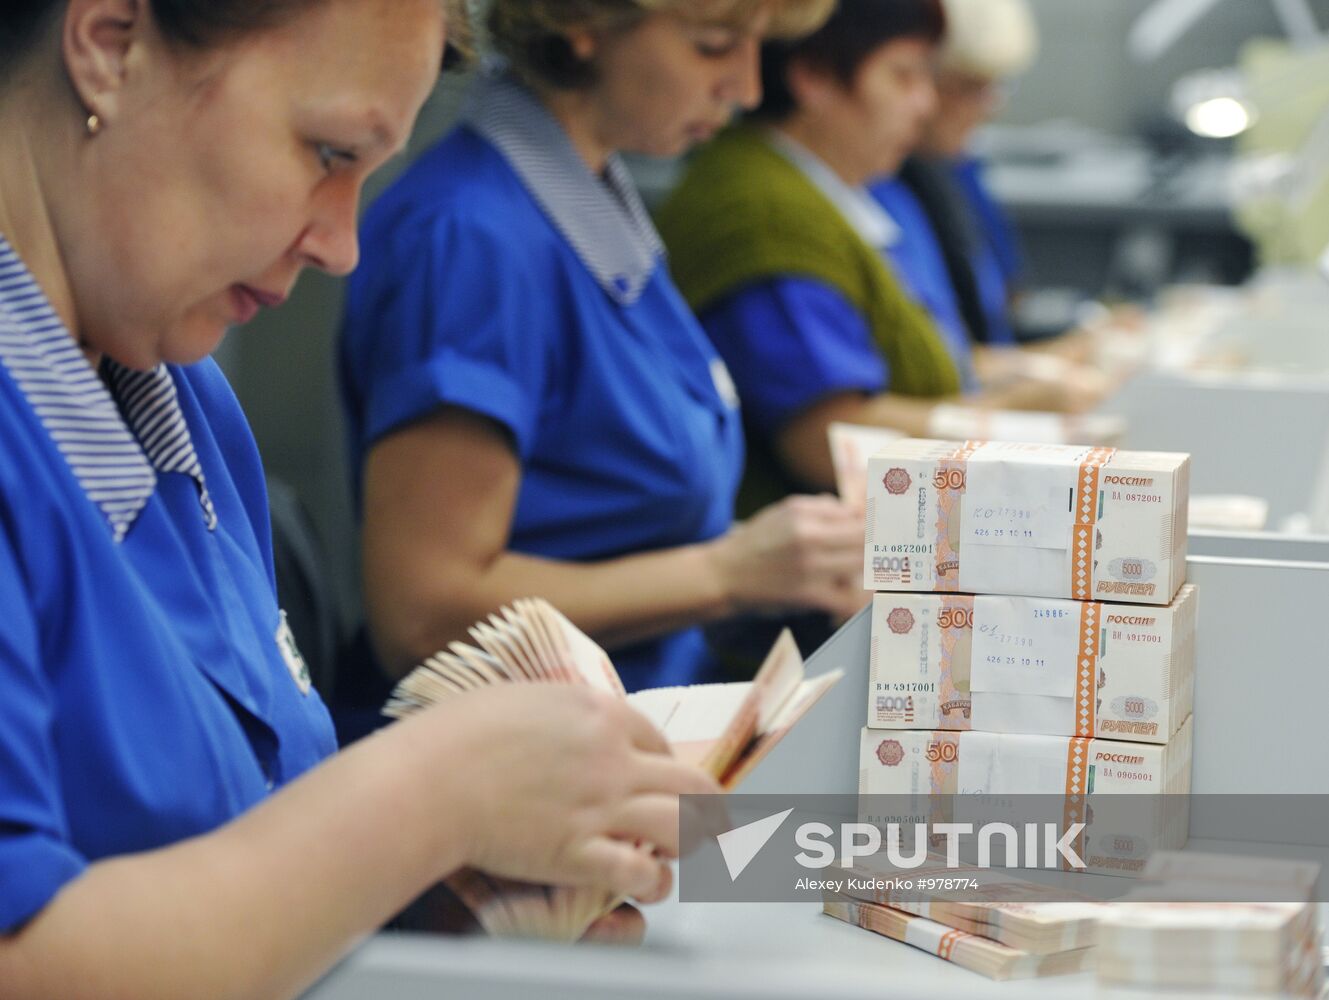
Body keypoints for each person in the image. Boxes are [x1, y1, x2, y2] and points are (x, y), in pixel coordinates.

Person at [0, 2, 719, 996]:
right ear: (110, 45)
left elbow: (244, 828)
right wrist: (433, 796)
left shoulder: (179, 390)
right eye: (327, 150)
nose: (342, 244)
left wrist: (456, 892)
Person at [339, 0, 864, 697]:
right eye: (712, 46)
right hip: (515, 755)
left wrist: (788, 564)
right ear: (580, 22)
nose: (745, 89)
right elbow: (423, 615)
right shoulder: (471, 239)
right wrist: (727, 575)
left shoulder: (583, 199)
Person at [656, 0, 1084, 507]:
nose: (925, 105)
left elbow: (920, 361)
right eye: (903, 77)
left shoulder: (839, 190)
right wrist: (999, 416)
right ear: (814, 77)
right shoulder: (765, 211)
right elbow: (831, 439)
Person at [893, 0, 1038, 348]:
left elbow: (1009, 296)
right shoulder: (884, 189)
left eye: (996, 86)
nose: (990, 107)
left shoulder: (959, 171)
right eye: (970, 86)